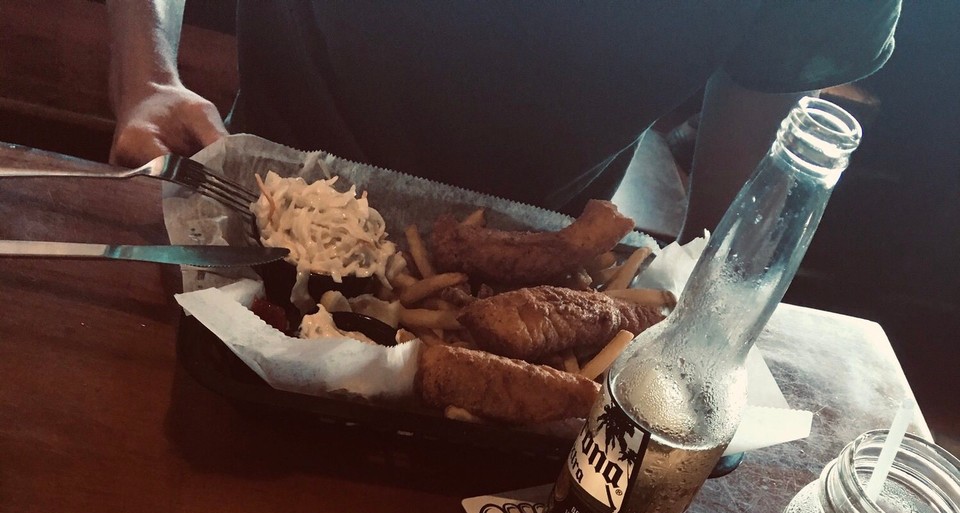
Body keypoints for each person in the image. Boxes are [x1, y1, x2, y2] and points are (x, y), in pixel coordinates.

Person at [105, 1, 901, 241]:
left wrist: (701, 290)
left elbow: (765, 87)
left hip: (530, 252)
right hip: (252, 204)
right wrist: (147, 73)